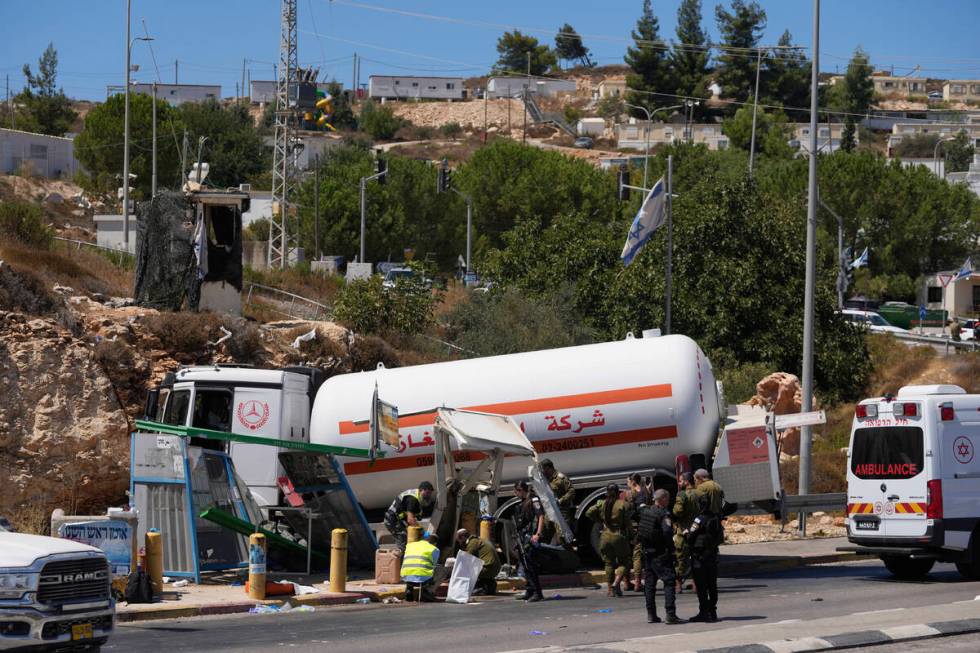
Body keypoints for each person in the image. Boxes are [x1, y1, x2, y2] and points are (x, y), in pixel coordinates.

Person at [638, 489, 684, 624]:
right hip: (660, 553)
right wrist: (672, 550)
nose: (669, 502)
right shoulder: (664, 514)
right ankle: (671, 615)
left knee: (650, 584)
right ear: (663, 499)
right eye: (667, 499)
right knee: (669, 581)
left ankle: (651, 614)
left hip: (647, 552)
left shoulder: (646, 511)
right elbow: (667, 532)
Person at [687, 468, 724, 622]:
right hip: (713, 544)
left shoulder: (701, 490)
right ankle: (713, 611)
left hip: (700, 552)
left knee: (702, 584)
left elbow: (691, 536)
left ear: (700, 478)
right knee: (712, 583)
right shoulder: (718, 486)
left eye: (695, 479)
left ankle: (704, 611)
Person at [585, 483, 632, 597]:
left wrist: (600, 520)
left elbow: (588, 513)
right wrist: (632, 536)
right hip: (619, 536)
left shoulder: (602, 503)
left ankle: (610, 589)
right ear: (617, 493)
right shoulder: (623, 505)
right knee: (624, 561)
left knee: (609, 563)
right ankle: (617, 582)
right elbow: (628, 523)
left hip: (605, 536)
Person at [513, 480, 547, 602]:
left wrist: (537, 534)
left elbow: (541, 516)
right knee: (525, 565)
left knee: (530, 566)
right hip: (524, 538)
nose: (515, 494)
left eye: (516, 491)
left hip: (531, 538)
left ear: (521, 490)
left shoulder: (534, 500)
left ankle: (538, 593)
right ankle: (530, 590)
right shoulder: (523, 502)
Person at [384, 481, 436, 552]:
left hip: (399, 520)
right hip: (392, 521)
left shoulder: (418, 497)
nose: (429, 495)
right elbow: (410, 520)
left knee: (412, 539)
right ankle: (401, 560)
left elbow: (413, 517)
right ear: (421, 490)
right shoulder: (413, 499)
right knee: (404, 543)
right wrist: (422, 531)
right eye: (427, 493)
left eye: (430, 493)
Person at [672, 472, 698, 594]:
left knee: (680, 558)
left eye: (681, 480)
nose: (679, 483)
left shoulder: (682, 494)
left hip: (683, 531)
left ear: (686, 482)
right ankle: (695, 584)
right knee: (696, 558)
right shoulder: (699, 493)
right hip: (697, 531)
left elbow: (677, 511)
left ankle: (678, 585)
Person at [455, 528, 501, 596]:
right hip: (495, 568)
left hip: (488, 568)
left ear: (463, 537)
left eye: (459, 541)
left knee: (465, 569)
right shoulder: (479, 540)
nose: (459, 543)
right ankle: (490, 585)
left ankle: (479, 588)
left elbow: (466, 559)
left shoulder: (472, 543)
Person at [627, 473, 652, 592]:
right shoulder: (646, 492)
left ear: (633, 481)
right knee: (642, 553)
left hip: (633, 527)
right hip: (646, 525)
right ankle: (640, 581)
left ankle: (635, 582)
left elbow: (627, 511)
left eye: (628, 481)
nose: (627, 484)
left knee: (634, 554)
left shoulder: (630, 494)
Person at [540, 459, 575, 541]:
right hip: (549, 511)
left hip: (561, 510)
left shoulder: (560, 478)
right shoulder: (544, 478)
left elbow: (571, 491)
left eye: (543, 469)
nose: (542, 471)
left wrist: (560, 500)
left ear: (548, 468)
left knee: (563, 537)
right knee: (546, 533)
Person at [400, 533, 441, 602]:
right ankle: (427, 591)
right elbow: (434, 565)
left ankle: (409, 590)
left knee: (411, 566)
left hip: (405, 577)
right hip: (423, 581)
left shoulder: (410, 545)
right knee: (441, 570)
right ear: (435, 543)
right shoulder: (434, 549)